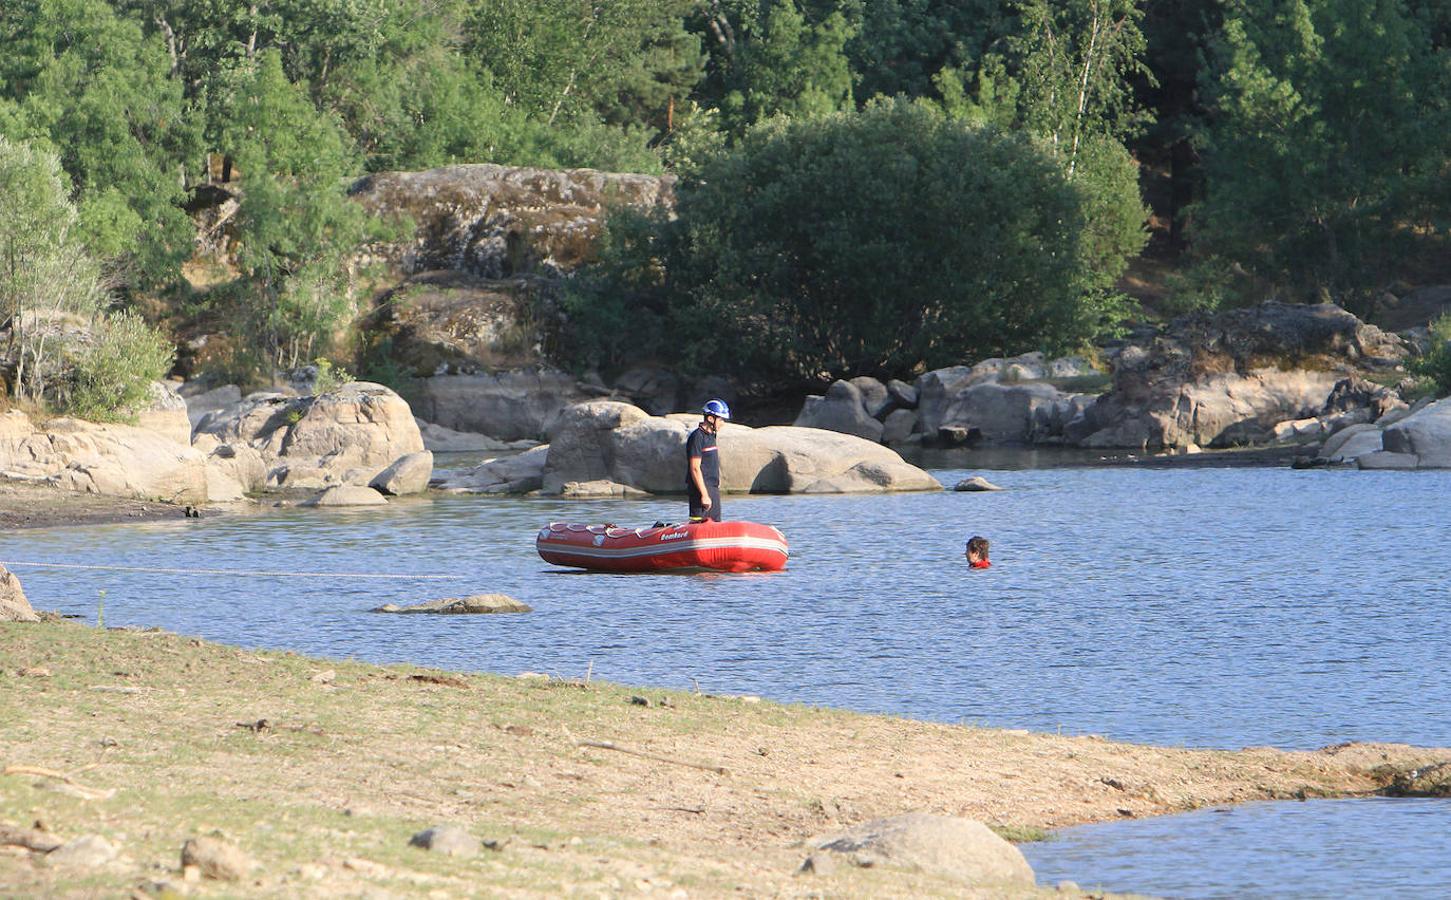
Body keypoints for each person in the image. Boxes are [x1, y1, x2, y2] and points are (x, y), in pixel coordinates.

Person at [686, 399, 729, 522]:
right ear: (710, 418)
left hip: (713, 488)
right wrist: (704, 495)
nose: (723, 423)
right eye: (721, 419)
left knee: (715, 524)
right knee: (699, 524)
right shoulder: (697, 437)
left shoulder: (711, 436)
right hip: (700, 490)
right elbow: (695, 468)